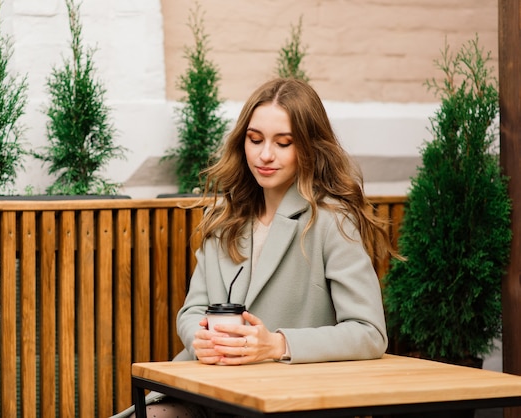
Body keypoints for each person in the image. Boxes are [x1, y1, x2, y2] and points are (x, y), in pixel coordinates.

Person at [117, 77, 397, 418]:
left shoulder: (331, 221)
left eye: (284, 143)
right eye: (255, 140)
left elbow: (369, 333)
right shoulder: (223, 217)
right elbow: (193, 312)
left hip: (288, 400)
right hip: (206, 393)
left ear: (309, 148)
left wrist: (277, 344)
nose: (265, 155)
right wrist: (198, 340)